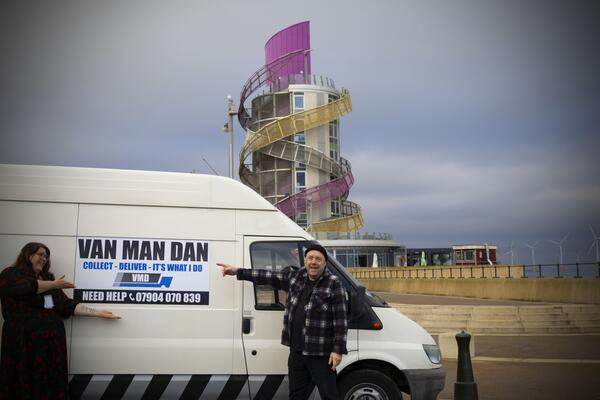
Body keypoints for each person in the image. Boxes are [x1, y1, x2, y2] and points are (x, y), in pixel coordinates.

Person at [218, 243, 348, 400]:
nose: (313, 262)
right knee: (296, 395)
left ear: (324, 263)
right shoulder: (296, 277)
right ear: (305, 260)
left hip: (321, 354)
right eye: (310, 258)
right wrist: (238, 271)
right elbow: (268, 276)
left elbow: (340, 320)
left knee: (329, 395)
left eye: (318, 259)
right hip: (296, 352)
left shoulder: (334, 283)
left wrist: (337, 350)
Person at [0, 242, 121, 400]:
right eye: (40, 254)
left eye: (46, 256)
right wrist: (54, 284)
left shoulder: (48, 279)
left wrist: (98, 313)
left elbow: (66, 305)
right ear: (28, 255)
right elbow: (25, 287)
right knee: (23, 379)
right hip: (23, 342)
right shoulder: (11, 274)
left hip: (50, 346)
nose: (44, 258)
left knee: (49, 383)